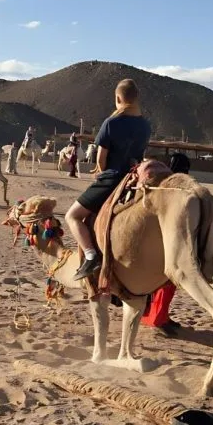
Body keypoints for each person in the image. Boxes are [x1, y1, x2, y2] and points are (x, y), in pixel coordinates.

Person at [65, 79, 151, 280]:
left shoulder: (111, 123)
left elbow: (101, 159)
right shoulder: (145, 126)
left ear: (118, 98)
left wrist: (102, 174)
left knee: (73, 216)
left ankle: (90, 255)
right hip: (134, 179)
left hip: (113, 178)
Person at [140, 151, 191, 335]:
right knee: (165, 282)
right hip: (162, 240)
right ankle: (158, 319)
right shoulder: (167, 188)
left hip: (170, 239)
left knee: (170, 283)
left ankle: (162, 316)